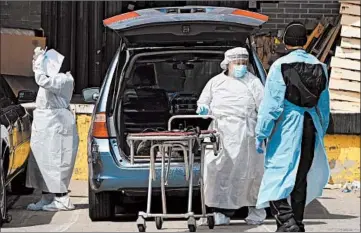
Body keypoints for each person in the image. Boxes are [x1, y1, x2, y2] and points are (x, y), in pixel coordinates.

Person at [255, 22, 331, 232]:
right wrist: (320, 130)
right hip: (311, 126)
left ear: (286, 43)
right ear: (305, 41)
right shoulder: (320, 67)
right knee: (300, 178)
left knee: (275, 175)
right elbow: (324, 107)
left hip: (287, 127)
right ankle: (296, 222)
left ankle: (287, 221)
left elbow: (271, 105)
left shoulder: (280, 67)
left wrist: (261, 133)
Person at [197, 47, 267, 226]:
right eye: (237, 63)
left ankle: (255, 211)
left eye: (244, 63)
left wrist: (262, 132)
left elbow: (264, 107)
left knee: (251, 173)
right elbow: (203, 103)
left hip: (247, 134)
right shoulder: (215, 82)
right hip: (221, 133)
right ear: (228, 64)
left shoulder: (254, 82)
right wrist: (203, 110)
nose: (241, 67)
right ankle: (220, 212)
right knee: (219, 172)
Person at [26, 47, 79, 211]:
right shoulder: (53, 78)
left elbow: (42, 80)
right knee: (41, 161)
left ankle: (62, 199)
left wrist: (39, 63)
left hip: (57, 125)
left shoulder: (63, 80)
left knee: (57, 161)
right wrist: (37, 61)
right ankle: (46, 197)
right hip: (44, 124)